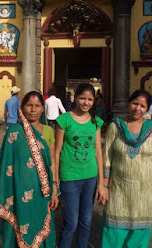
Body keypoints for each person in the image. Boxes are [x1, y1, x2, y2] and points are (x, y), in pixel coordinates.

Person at [0, 91, 59, 248]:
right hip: (17, 190)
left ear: (42, 109)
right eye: (29, 105)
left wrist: (54, 187)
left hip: (41, 191)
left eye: (37, 106)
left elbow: (52, 161)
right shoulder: (14, 132)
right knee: (16, 226)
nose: (33, 109)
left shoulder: (48, 131)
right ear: (22, 108)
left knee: (41, 222)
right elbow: (3, 162)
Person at [102, 90, 152, 248]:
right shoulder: (115, 126)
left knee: (140, 234)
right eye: (135, 103)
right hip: (119, 187)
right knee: (113, 231)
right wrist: (103, 185)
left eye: (142, 106)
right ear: (128, 103)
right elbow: (107, 157)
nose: (137, 108)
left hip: (146, 190)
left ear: (147, 109)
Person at [55, 83, 107, 248]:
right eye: (82, 98)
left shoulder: (96, 121)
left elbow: (99, 151)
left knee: (86, 219)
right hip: (69, 177)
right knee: (71, 222)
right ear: (75, 97)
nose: (86, 102)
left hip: (90, 178)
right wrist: (55, 181)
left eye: (90, 99)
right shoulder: (64, 120)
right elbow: (57, 152)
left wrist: (101, 183)